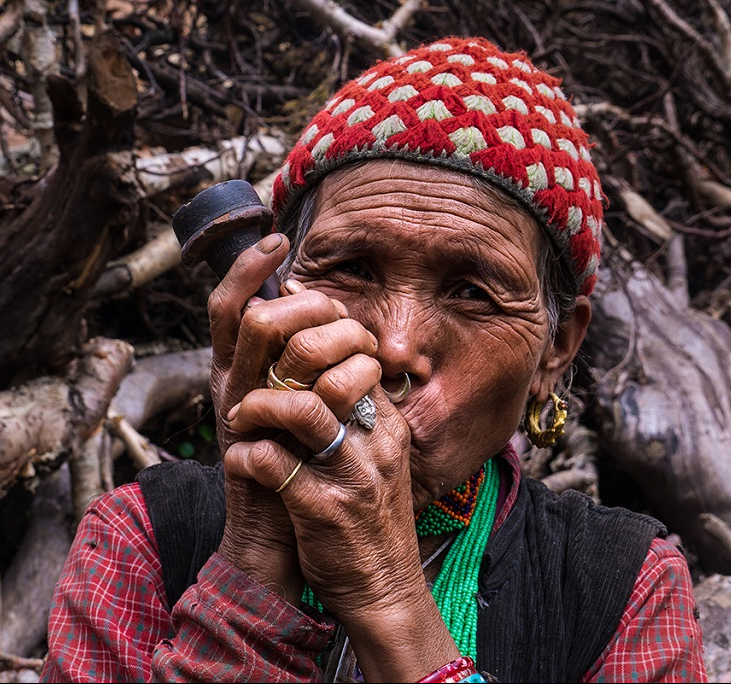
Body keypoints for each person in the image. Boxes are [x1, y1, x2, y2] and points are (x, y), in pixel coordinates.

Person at [40, 36, 707, 683]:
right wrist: (255, 559)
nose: (393, 349)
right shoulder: (141, 540)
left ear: (554, 350)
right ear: (269, 294)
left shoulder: (624, 591)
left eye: (472, 292)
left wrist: (386, 599)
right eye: (351, 268)